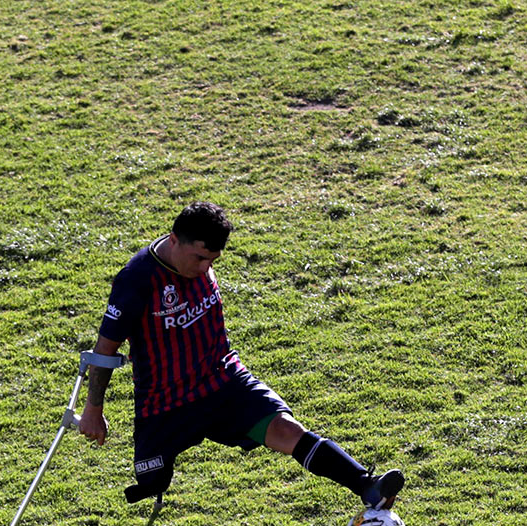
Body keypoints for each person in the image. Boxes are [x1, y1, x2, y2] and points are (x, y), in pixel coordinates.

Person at [77, 201, 403, 510]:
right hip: (165, 401)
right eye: (199, 258)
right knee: (151, 481)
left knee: (288, 430)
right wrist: (93, 409)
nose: (205, 268)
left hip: (223, 381)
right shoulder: (137, 280)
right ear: (174, 240)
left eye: (212, 260)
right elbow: (105, 351)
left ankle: (367, 487)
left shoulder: (197, 261)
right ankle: (155, 477)